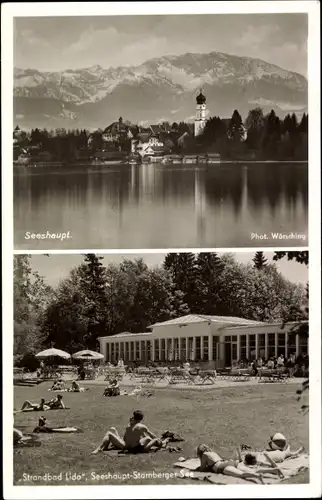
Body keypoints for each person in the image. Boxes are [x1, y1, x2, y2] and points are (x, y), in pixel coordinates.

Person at [92, 410, 161, 454]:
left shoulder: (130, 424)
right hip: (127, 445)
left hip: (125, 445)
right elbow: (150, 435)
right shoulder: (141, 426)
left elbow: (126, 438)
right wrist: (158, 440)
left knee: (110, 433)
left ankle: (99, 449)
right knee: (112, 429)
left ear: (134, 417)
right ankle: (105, 447)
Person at [196, 444, 264, 483]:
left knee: (241, 474)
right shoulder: (213, 453)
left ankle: (257, 476)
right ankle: (259, 473)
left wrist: (198, 468)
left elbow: (202, 469)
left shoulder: (204, 454)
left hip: (221, 467)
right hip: (229, 462)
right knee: (248, 471)